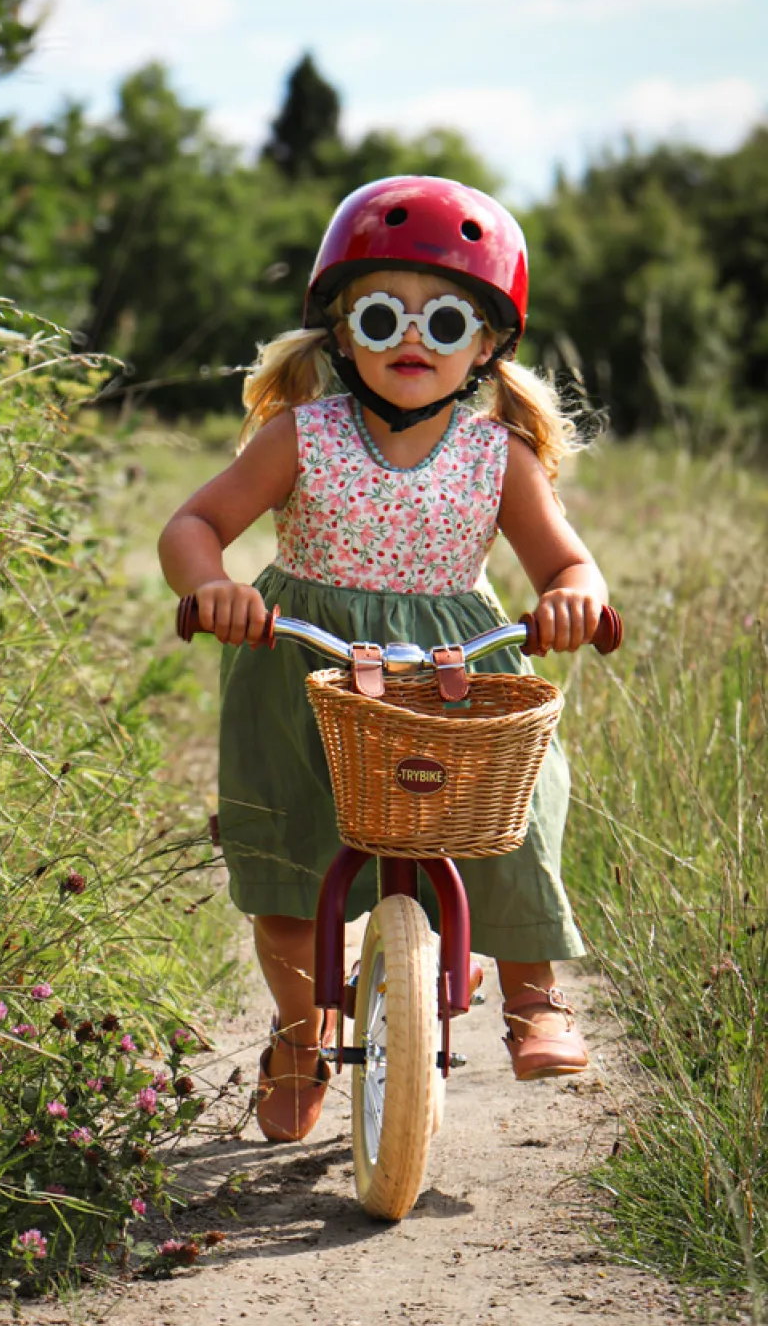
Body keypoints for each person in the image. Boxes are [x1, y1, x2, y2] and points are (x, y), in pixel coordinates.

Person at [159, 175, 608, 1143]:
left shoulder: (498, 458)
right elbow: (195, 521)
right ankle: (295, 1033)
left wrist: (574, 595)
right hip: (303, 672)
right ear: (341, 333)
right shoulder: (303, 438)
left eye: (443, 321)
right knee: (284, 851)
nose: (412, 338)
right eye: (382, 314)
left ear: (484, 344)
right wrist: (211, 585)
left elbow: (567, 559)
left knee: (519, 803)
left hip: (452, 673)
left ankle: (531, 996)